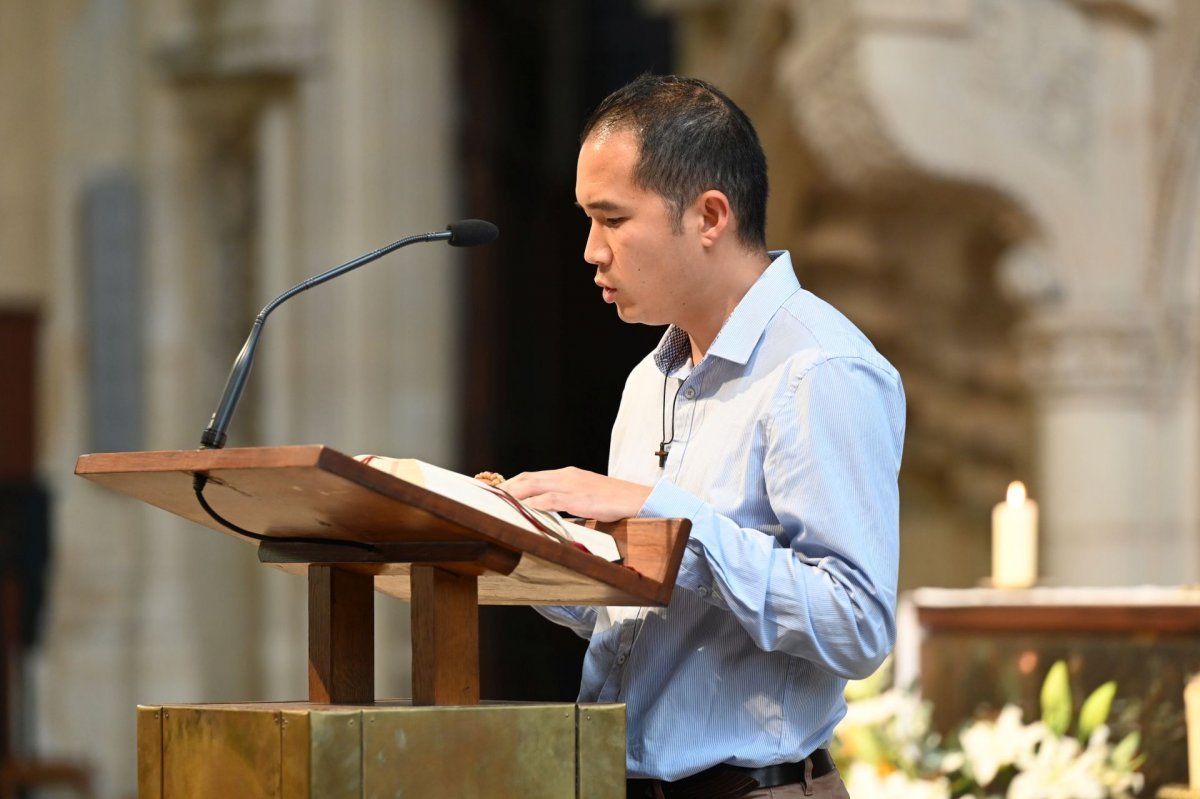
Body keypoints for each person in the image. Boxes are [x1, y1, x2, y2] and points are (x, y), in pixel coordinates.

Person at [501, 74, 905, 799]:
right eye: (586, 220)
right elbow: (639, 612)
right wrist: (522, 546)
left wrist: (664, 518)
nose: (591, 250)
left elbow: (856, 625)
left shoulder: (819, 368)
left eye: (612, 219)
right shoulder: (648, 380)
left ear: (710, 215)